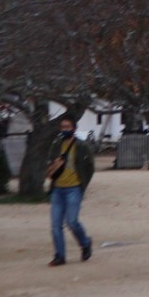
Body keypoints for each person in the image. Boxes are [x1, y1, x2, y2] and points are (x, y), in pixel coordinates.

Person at [45, 114, 95, 266]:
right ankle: (59, 255)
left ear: (74, 128)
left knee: (72, 221)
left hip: (74, 188)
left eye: (68, 127)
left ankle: (85, 243)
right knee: (55, 225)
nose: (65, 130)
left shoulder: (81, 146)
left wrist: (82, 185)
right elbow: (50, 163)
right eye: (63, 127)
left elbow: (90, 167)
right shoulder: (56, 145)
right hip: (58, 189)